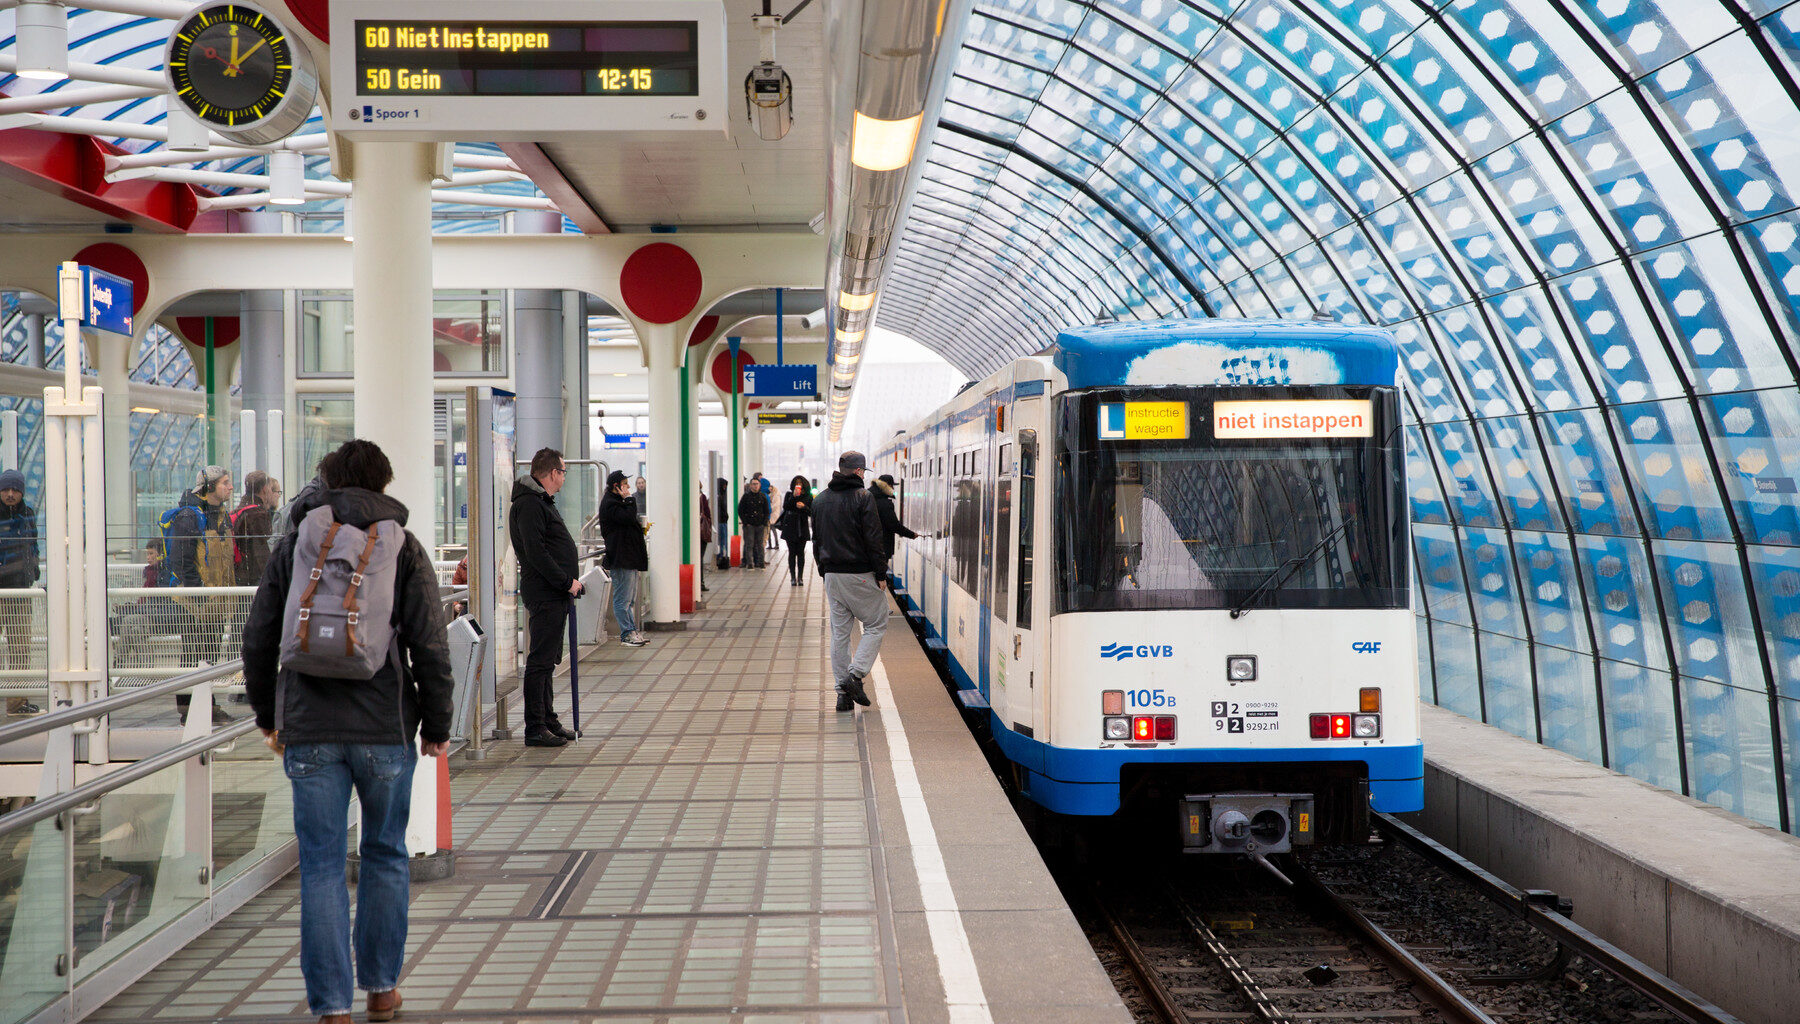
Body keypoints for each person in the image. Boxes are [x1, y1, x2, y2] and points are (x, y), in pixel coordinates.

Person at [242, 439, 453, 1024]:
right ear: (383, 483)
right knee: (385, 854)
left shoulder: (296, 543)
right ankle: (381, 990)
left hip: (309, 728)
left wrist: (268, 716)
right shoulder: (402, 546)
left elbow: (259, 638)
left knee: (322, 865)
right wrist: (438, 726)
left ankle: (332, 1007)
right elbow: (430, 644)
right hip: (384, 728)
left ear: (327, 481)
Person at [508, 448, 586, 747]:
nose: (564, 477)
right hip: (546, 593)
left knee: (547, 661)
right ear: (553, 472)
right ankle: (535, 727)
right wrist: (566, 582)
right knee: (540, 662)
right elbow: (536, 552)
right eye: (563, 472)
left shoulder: (540, 502)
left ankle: (548, 720)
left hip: (553, 593)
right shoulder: (529, 505)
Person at [811, 452, 889, 712]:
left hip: (832, 575)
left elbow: (817, 540)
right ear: (857, 472)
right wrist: (880, 574)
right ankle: (855, 677)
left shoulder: (820, 500)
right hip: (860, 574)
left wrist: (825, 571)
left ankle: (842, 695)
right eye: (863, 471)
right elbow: (874, 539)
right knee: (876, 624)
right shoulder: (863, 498)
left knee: (840, 635)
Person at [167, 465, 235, 726]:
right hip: (197, 601)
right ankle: (188, 709)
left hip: (216, 600)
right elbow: (181, 559)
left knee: (210, 653)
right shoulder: (190, 515)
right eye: (225, 483)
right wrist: (198, 595)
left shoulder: (222, 514)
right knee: (193, 654)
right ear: (209, 488)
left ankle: (206, 704)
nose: (230, 487)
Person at [0, 469, 39, 716]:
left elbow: (33, 545)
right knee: (17, 647)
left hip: (20, 591)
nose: (11, 494)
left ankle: (17, 703)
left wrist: (32, 570)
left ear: (22, 491)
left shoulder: (28, 514)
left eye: (15, 490)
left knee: (20, 648)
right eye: (6, 489)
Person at [599, 470, 649, 646]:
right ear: (617, 486)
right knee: (622, 600)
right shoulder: (610, 504)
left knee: (630, 599)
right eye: (626, 484)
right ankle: (627, 634)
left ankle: (632, 631)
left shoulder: (617, 502)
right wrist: (629, 499)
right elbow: (628, 518)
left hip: (628, 557)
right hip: (621, 558)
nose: (628, 487)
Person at [231, 470, 282, 587]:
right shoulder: (258, 514)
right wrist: (270, 576)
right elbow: (260, 550)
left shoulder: (239, 509)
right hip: (253, 577)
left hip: (239, 573)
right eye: (271, 488)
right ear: (264, 489)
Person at [871, 474, 917, 572]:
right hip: (881, 547)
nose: (892, 488)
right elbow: (894, 525)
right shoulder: (884, 503)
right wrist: (911, 534)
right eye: (892, 486)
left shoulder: (868, 496)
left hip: (868, 546)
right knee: (879, 576)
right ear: (887, 486)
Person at [772, 475, 812, 587]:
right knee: (791, 553)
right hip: (790, 527)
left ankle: (800, 577)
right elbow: (786, 507)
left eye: (800, 483)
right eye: (796, 483)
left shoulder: (808, 496)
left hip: (802, 527)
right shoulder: (790, 494)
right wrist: (794, 497)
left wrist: (804, 507)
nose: (798, 485)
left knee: (801, 553)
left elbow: (811, 512)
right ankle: (793, 577)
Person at [737, 480, 769, 569]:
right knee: (749, 544)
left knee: (760, 544)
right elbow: (740, 510)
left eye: (757, 484)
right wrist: (745, 522)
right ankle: (750, 563)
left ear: (759, 485)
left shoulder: (763, 497)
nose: (755, 486)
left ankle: (761, 562)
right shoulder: (746, 496)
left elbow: (766, 511)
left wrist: (764, 522)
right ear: (750, 485)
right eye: (753, 484)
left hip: (760, 524)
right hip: (749, 525)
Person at [698, 484, 713, 593]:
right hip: (701, 533)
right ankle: (700, 583)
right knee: (699, 558)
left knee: (698, 558)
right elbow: (708, 514)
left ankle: (699, 583)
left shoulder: (701, 497)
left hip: (697, 533)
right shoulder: (702, 497)